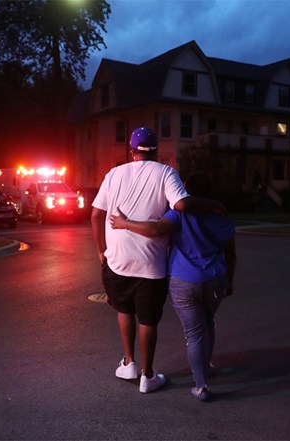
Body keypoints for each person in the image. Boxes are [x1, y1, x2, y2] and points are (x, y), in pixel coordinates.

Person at [91, 127, 224, 394]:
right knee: (148, 320)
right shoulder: (165, 173)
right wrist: (213, 203)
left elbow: (96, 215)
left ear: (131, 151)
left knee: (123, 309)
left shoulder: (114, 174)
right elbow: (182, 205)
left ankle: (129, 362)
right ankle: (147, 375)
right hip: (151, 264)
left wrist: (101, 250)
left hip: (117, 259)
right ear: (156, 151)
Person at [109, 172, 236, 402]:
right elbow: (231, 253)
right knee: (208, 322)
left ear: (186, 190)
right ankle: (205, 364)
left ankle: (201, 385)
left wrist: (124, 223)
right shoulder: (221, 216)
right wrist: (231, 281)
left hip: (184, 280)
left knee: (194, 333)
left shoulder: (180, 214)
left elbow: (156, 229)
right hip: (216, 278)